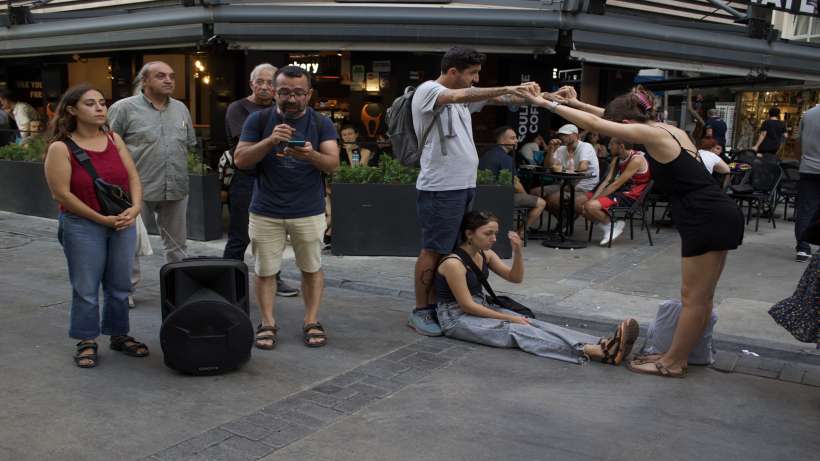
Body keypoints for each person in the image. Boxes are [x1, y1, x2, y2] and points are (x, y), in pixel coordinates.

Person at [524, 85, 744, 378]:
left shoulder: (650, 135)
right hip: (716, 211)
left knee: (693, 297)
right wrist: (576, 103)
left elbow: (599, 124)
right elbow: (605, 117)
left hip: (704, 215)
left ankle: (674, 362)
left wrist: (544, 104)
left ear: (627, 124)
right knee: (701, 297)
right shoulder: (666, 129)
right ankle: (678, 355)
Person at [408, 45, 550, 337]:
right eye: (471, 73)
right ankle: (421, 310)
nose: (475, 80)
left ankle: (443, 303)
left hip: (463, 186)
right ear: (452, 72)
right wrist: (508, 86)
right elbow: (462, 94)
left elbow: (500, 96)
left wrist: (543, 97)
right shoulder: (428, 91)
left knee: (451, 251)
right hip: (441, 189)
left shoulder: (464, 96)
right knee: (433, 249)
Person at [436, 210, 640, 364]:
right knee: (514, 329)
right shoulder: (454, 263)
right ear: (469, 234)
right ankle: (594, 352)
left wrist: (517, 251)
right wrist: (510, 317)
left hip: (481, 308)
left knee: (531, 323)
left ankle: (603, 342)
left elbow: (515, 278)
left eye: (495, 234)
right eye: (488, 233)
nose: (493, 239)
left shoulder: (484, 254)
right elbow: (466, 306)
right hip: (456, 318)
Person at [43, 83, 148, 368]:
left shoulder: (114, 139)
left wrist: (135, 208)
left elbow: (133, 177)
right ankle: (86, 339)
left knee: (120, 284)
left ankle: (118, 334)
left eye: (102, 102)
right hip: (82, 223)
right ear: (71, 109)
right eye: (90, 103)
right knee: (86, 286)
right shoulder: (60, 148)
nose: (100, 107)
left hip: (122, 221)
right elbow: (61, 194)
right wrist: (100, 219)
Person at [234, 65, 339, 349]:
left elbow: (333, 163)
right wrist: (270, 140)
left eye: (298, 93)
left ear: (309, 94)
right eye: (284, 92)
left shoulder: (321, 123)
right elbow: (240, 160)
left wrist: (310, 155)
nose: (291, 99)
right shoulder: (259, 120)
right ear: (274, 92)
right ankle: (267, 322)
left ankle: (311, 320)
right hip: (266, 209)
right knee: (265, 270)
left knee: (311, 268)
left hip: (308, 209)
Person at [107, 61, 197, 309]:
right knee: (129, 244)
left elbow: (188, 143)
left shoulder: (181, 109)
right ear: (144, 81)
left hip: (176, 187)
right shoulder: (124, 109)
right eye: (160, 76)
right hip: (135, 191)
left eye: (171, 76)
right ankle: (124, 290)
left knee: (178, 245)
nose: (168, 80)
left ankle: (179, 287)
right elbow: (107, 147)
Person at [222, 63, 300, 297]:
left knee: (273, 235)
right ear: (251, 83)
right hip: (246, 178)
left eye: (270, 82)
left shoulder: (283, 110)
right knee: (239, 235)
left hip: (276, 179)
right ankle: (228, 283)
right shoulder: (238, 108)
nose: (265, 87)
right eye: (260, 82)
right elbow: (245, 144)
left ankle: (274, 279)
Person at [582, 138, 651, 246]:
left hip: (632, 196)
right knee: (584, 207)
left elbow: (616, 184)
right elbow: (607, 181)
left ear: (621, 146)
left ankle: (612, 225)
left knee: (590, 207)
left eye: (611, 144)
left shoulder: (636, 159)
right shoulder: (617, 159)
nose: (609, 147)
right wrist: (593, 199)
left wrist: (593, 202)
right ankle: (611, 226)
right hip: (620, 192)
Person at [478, 126, 546, 235]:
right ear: (502, 140)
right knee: (541, 203)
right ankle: (520, 233)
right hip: (500, 197)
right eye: (513, 138)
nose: (516, 140)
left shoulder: (487, 153)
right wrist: (526, 196)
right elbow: (516, 184)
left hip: (482, 196)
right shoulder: (506, 158)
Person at [531, 124, 599, 220]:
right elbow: (547, 166)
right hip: (566, 184)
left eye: (566, 135)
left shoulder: (585, 146)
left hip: (584, 186)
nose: (562, 137)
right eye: (561, 135)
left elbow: (583, 167)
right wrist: (551, 149)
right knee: (535, 193)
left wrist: (566, 166)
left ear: (576, 135)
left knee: (552, 199)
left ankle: (565, 220)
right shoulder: (561, 149)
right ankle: (564, 219)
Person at [794, 102, 820, 262]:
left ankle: (803, 248)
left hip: (808, 168)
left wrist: (801, 160)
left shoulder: (808, 114)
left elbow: (798, 142)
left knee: (806, 209)